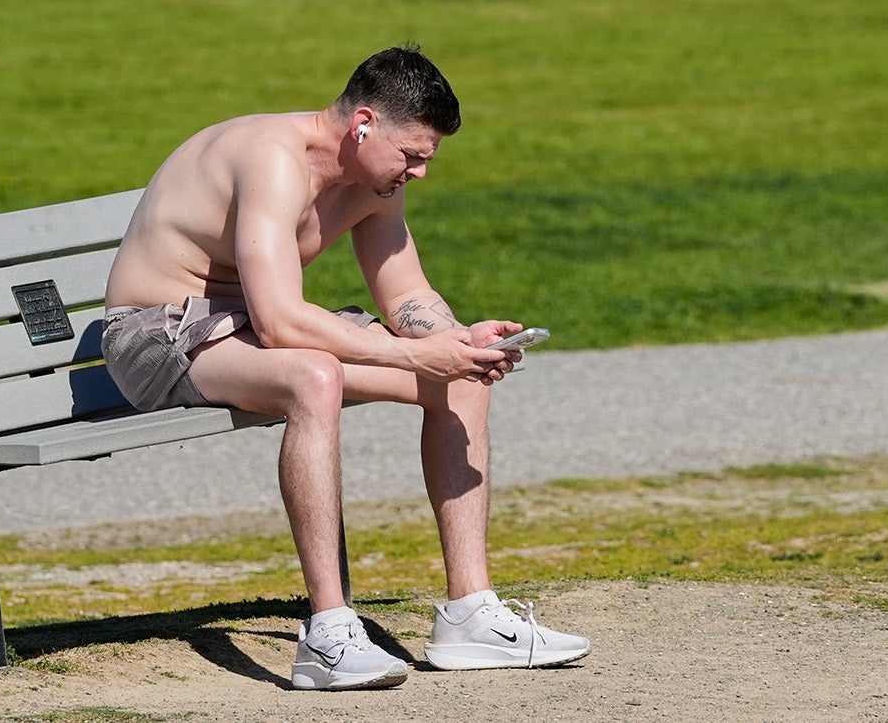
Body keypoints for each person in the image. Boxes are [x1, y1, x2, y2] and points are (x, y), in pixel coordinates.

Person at [102, 45, 591, 690]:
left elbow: (406, 295)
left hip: (244, 326)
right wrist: (417, 352)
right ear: (363, 124)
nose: (418, 172)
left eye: (427, 158)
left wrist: (459, 344)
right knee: (314, 376)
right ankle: (328, 633)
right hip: (157, 332)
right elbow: (280, 323)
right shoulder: (273, 157)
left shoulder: (374, 182)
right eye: (411, 154)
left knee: (461, 382)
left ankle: (471, 617)